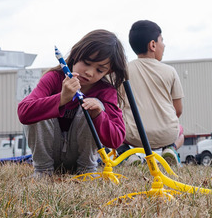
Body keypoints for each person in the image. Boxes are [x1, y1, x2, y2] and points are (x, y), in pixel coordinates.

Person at [18, 29, 129, 178]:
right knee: (37, 108)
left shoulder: (105, 91)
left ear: (108, 72)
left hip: (84, 163)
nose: (90, 72)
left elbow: (116, 140)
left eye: (99, 70)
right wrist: (61, 98)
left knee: (95, 105)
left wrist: (98, 115)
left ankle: (87, 172)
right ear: (76, 55)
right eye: (87, 63)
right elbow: (24, 112)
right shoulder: (54, 78)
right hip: (48, 159)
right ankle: (43, 172)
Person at [119, 19, 185, 165]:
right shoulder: (170, 71)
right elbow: (178, 110)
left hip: (134, 136)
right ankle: (171, 149)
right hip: (167, 134)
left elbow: (116, 107)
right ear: (153, 45)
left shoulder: (123, 71)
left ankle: (127, 154)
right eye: (162, 40)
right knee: (180, 131)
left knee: (113, 127)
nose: (164, 45)